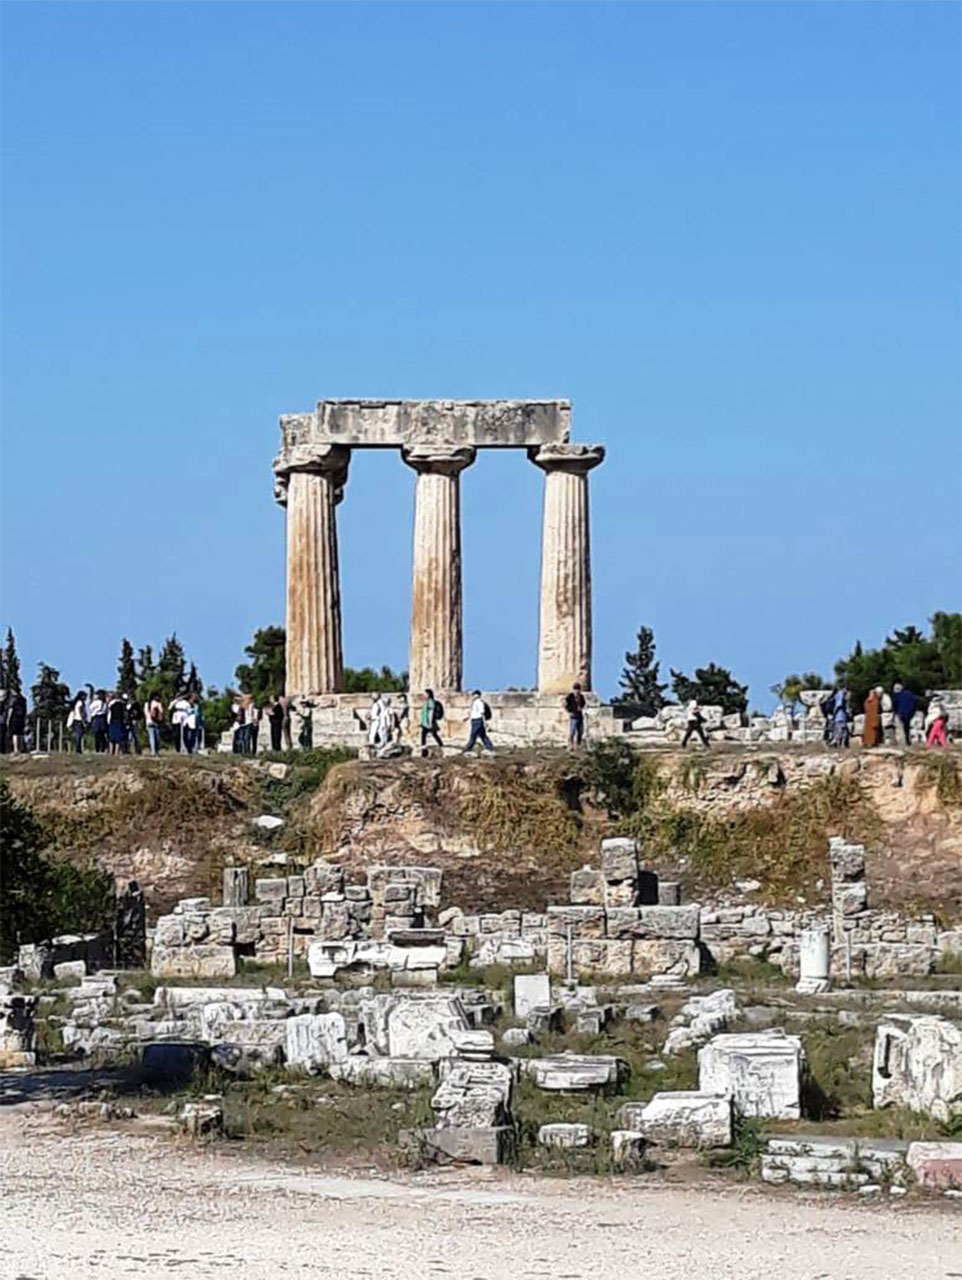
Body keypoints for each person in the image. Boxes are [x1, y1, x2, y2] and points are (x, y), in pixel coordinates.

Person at [463, 689, 495, 754]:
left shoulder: (479, 702)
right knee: (482, 735)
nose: (472, 696)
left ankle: (468, 748)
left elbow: (482, 713)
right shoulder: (474, 703)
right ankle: (489, 746)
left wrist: (485, 722)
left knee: (473, 735)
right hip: (474, 720)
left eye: (474, 695)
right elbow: (473, 713)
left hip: (478, 720)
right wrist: (467, 718)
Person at [419, 688, 444, 756]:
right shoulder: (427, 702)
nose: (423, 695)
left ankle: (425, 750)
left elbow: (431, 712)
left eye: (425, 694)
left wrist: (430, 722)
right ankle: (425, 749)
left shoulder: (430, 702)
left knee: (427, 735)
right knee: (431, 734)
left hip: (428, 722)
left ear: (428, 694)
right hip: (425, 722)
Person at [892, 683, 917, 747]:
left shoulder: (898, 695)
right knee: (907, 729)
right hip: (909, 714)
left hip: (900, 714)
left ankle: (902, 744)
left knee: (900, 729)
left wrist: (895, 713)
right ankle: (908, 742)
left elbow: (895, 705)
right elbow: (914, 704)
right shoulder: (911, 695)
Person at [564, 682, 587, 749]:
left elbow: (583, 704)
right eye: (575, 689)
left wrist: (581, 708)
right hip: (573, 716)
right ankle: (570, 744)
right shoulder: (570, 696)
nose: (577, 691)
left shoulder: (581, 696)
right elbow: (565, 703)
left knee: (580, 731)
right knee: (572, 731)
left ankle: (578, 744)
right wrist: (569, 711)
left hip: (580, 715)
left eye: (578, 689)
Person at [6, 689, 27, 753]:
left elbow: (11, 709)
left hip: (14, 718)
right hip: (21, 718)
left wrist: (8, 719)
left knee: (15, 734)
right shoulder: (23, 699)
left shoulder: (13, 699)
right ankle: (21, 748)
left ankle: (16, 749)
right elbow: (25, 710)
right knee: (20, 733)